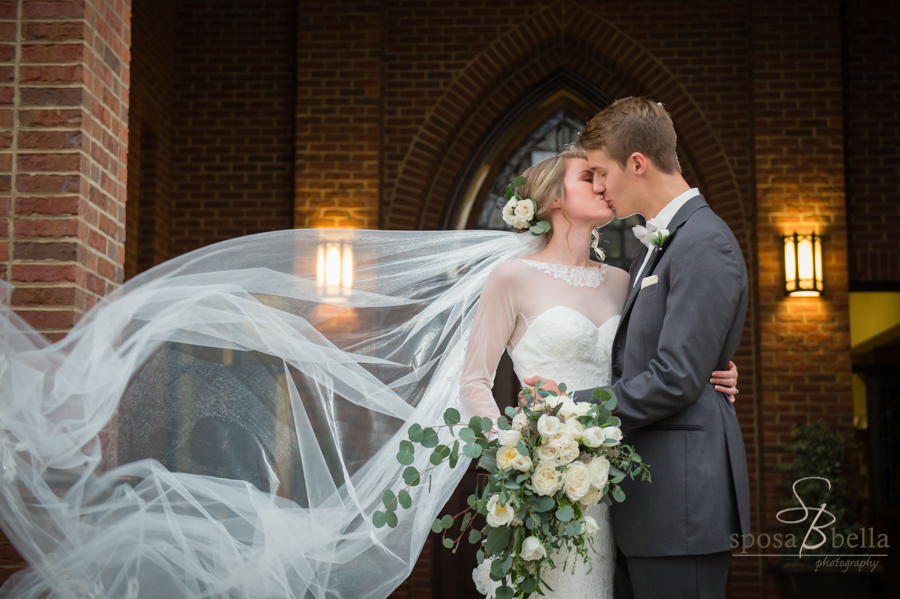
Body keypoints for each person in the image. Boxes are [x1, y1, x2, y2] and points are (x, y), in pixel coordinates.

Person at [459, 145, 739, 599]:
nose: (603, 186)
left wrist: (713, 373)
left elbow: (665, 362)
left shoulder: (623, 281)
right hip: (545, 484)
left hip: (618, 486)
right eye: (588, 178)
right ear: (552, 198)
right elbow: (473, 381)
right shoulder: (511, 278)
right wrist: (513, 456)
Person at [521, 98, 751, 599]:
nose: (599, 185)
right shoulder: (663, 244)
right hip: (643, 504)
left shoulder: (702, 242)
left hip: (680, 508)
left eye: (601, 171)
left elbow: (675, 377)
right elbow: (667, 362)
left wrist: (565, 407)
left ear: (637, 164)